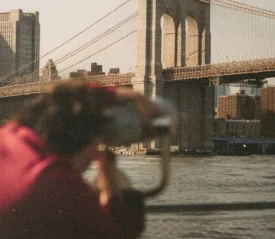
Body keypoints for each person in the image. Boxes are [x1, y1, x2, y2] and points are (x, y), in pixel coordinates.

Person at [0, 81, 164, 239]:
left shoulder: (11, 133)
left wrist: (124, 94)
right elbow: (118, 232)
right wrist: (111, 184)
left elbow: (57, 97)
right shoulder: (61, 187)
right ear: (90, 142)